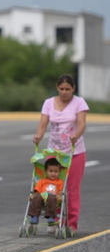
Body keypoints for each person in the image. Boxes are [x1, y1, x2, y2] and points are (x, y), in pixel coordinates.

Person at [32, 74, 89, 233]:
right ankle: (54, 220)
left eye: (68, 89)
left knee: (72, 189)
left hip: (74, 151)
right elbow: (43, 124)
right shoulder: (49, 103)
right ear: (57, 88)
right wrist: (38, 136)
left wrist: (76, 136)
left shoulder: (79, 102)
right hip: (54, 151)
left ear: (73, 89)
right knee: (52, 187)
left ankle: (71, 223)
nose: (64, 92)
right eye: (61, 89)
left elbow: (82, 123)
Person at [28, 158, 64, 225]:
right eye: (50, 171)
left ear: (59, 172)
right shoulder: (42, 181)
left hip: (53, 196)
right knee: (37, 197)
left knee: (52, 198)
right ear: (46, 171)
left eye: (56, 172)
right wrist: (33, 195)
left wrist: (59, 195)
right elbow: (37, 191)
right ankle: (34, 216)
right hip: (42, 196)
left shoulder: (60, 182)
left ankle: (51, 216)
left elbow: (60, 191)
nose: (53, 174)